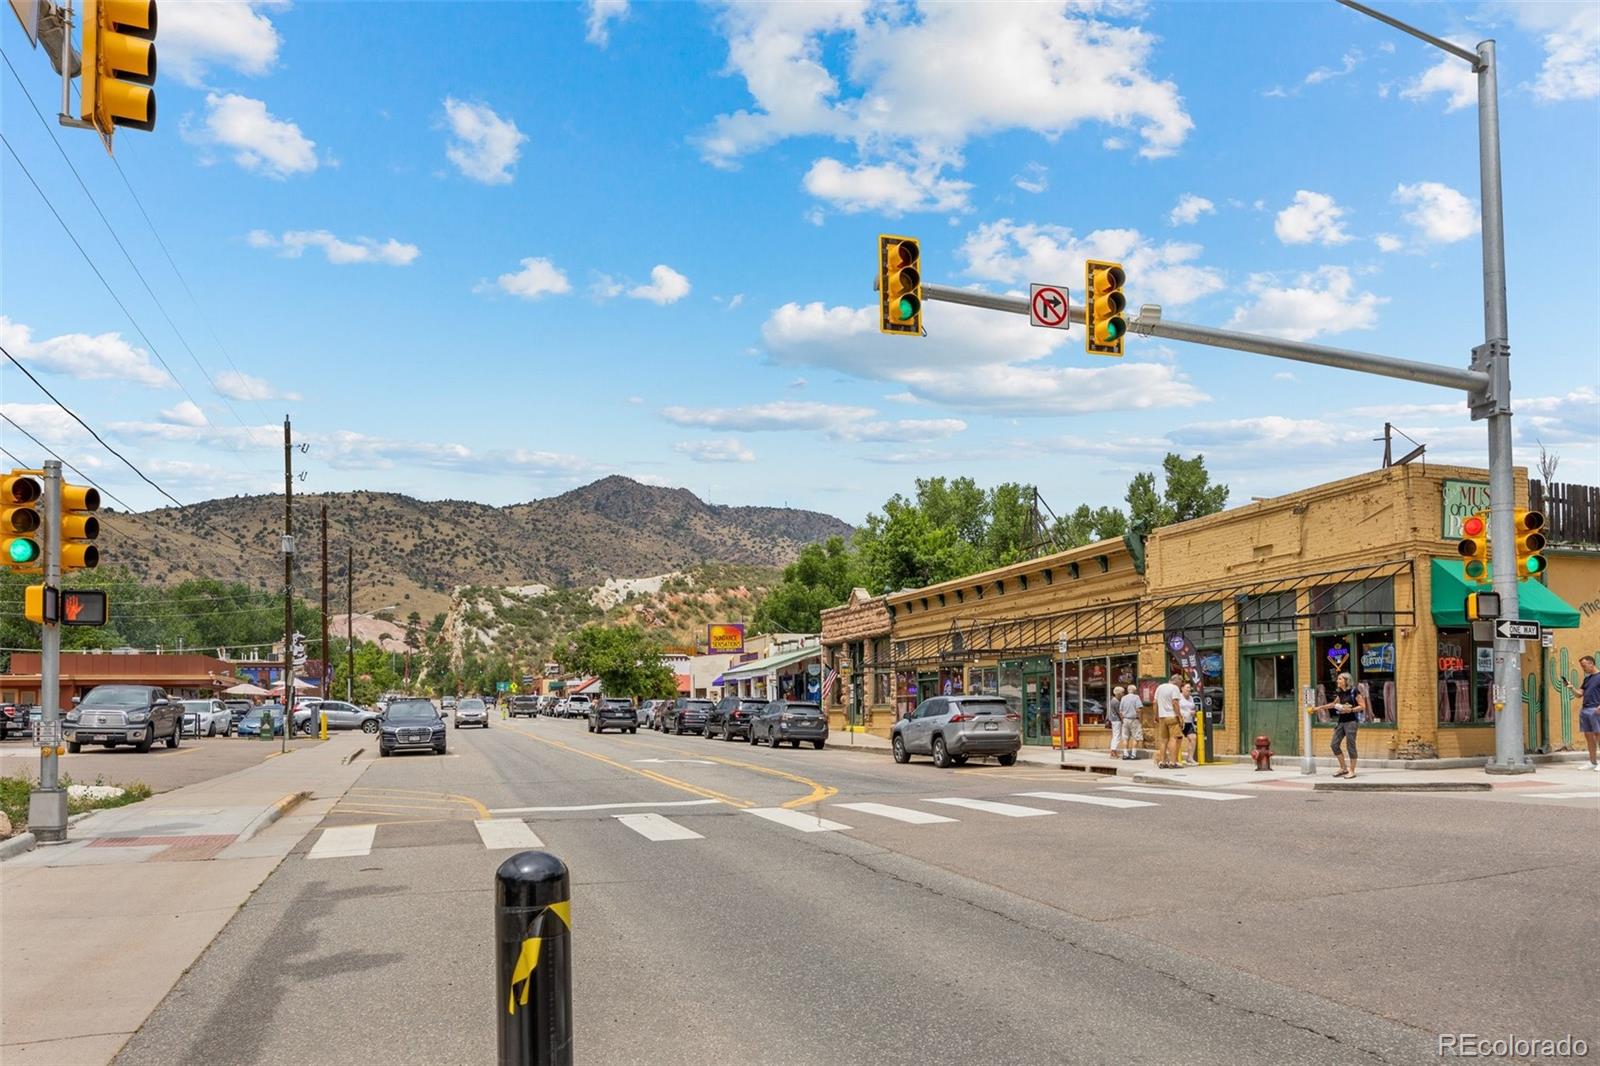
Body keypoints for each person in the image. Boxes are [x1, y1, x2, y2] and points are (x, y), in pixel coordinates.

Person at [1317, 672, 1367, 778]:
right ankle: (1343, 768)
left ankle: (1352, 771)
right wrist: (1319, 708)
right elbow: (1333, 705)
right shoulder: (1340, 693)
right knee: (1334, 744)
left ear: (1346, 681)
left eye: (1340, 679)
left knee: (1350, 746)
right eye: (1338, 679)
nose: (1337, 681)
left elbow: (1362, 706)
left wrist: (1351, 710)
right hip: (1341, 722)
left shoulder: (1354, 691)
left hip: (1351, 722)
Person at [1570, 655, 1600, 771]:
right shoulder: (1587, 679)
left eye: (1584, 665)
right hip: (1585, 709)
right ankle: (1592, 762)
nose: (1583, 668)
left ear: (1591, 664)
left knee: (1598, 735)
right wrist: (1571, 688)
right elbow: (1579, 694)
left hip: (1596, 710)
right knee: (1589, 737)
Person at [1153, 673, 1184, 769]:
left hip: (1162, 717)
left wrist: (1156, 716)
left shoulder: (1160, 687)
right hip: (1172, 716)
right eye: (1180, 684)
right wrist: (1179, 716)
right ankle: (1173, 762)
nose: (1180, 686)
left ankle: (1162, 761)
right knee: (1174, 739)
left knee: (1163, 740)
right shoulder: (1174, 688)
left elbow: (1154, 702)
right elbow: (1175, 702)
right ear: (1177, 682)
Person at [1118, 685, 1144, 761]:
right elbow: (1139, 709)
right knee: (1136, 737)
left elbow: (1120, 711)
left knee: (1125, 737)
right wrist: (1140, 718)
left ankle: (1125, 754)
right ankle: (1133, 754)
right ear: (1135, 690)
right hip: (1134, 719)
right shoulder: (1136, 697)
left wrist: (1123, 719)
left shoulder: (1123, 698)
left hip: (1125, 720)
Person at [1178, 682, 1199, 766]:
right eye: (1187, 687)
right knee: (1177, 740)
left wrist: (1194, 712)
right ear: (1182, 688)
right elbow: (1176, 707)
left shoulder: (1191, 698)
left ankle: (1190, 758)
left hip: (1189, 722)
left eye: (1189, 688)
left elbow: (1193, 708)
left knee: (1193, 738)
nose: (1188, 689)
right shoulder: (1179, 697)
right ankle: (1175, 758)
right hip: (1180, 722)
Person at [1108, 685, 1125, 758]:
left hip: (1113, 720)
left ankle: (1113, 751)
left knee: (1115, 735)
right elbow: (1119, 712)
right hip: (1116, 720)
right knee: (1117, 736)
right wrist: (1123, 720)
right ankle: (1113, 751)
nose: (1123, 694)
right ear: (1119, 693)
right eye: (1122, 692)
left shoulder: (1113, 700)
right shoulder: (1116, 702)